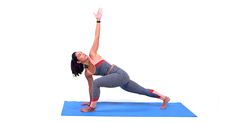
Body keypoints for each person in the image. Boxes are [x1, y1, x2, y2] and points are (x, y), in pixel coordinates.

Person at [71, 8, 170, 112]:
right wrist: (90, 99)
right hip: (118, 80)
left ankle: (92, 108)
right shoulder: (87, 73)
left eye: (81, 52)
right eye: (79, 55)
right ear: (78, 61)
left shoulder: (93, 54)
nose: (82, 53)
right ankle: (164, 98)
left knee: (97, 83)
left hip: (119, 74)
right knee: (142, 91)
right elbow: (90, 87)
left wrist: (98, 20)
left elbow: (97, 36)